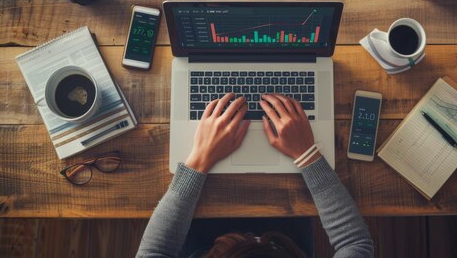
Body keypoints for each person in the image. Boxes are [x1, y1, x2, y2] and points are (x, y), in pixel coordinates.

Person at [136, 93, 374, 257]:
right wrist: (307, 154)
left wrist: (199, 160)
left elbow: (154, 253)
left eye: (239, 242)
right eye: (260, 242)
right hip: (286, 241)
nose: (252, 235)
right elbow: (355, 244)